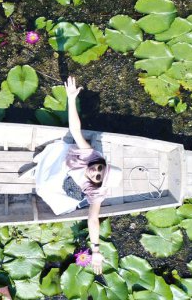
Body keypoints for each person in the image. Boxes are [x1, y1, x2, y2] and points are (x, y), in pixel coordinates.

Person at [30, 76, 122, 275]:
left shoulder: (97, 192)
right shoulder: (90, 156)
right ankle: (42, 169)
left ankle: (59, 187)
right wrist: (71, 98)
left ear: (98, 184)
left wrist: (96, 249)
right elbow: (75, 130)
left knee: (60, 205)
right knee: (45, 186)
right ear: (99, 162)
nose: (95, 171)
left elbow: (93, 219)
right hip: (61, 162)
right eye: (99, 168)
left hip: (69, 182)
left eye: (98, 176)